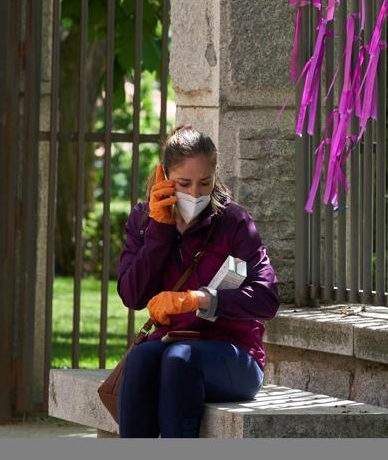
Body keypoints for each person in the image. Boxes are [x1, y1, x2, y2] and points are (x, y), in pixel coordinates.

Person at [115, 124, 281, 437]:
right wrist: (159, 232)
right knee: (140, 360)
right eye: (184, 183)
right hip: (169, 343)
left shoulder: (234, 222)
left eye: (204, 183)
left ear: (215, 177)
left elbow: (267, 297)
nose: (194, 193)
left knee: (180, 360)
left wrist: (203, 300)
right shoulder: (144, 220)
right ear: (164, 177)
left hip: (234, 353)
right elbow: (132, 295)